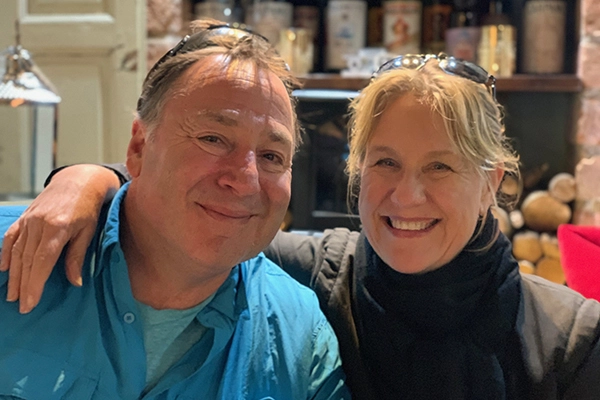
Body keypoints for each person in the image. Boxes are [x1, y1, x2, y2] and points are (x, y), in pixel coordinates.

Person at [3, 53, 600, 399]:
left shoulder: (569, 338)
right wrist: (88, 181)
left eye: (440, 166)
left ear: (492, 182)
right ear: (358, 172)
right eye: (385, 162)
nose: (407, 194)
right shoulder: (314, 276)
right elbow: (194, 215)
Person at [0, 19, 350, 399]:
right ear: (138, 148)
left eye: (271, 155)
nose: (245, 179)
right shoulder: (13, 253)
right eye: (213, 138)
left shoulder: (301, 340)